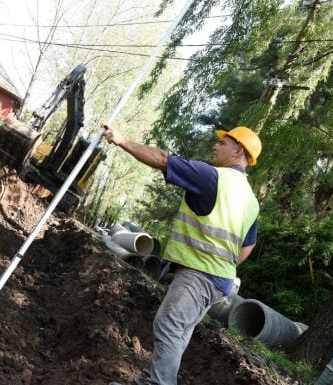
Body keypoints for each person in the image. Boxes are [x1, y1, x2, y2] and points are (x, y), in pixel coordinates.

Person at [103, 125, 262, 385]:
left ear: (238, 151)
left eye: (223, 143)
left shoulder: (213, 177)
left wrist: (122, 140)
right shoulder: (251, 200)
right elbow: (248, 246)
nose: (216, 145)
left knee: (169, 326)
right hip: (219, 279)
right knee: (178, 332)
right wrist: (224, 263)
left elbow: (164, 160)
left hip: (199, 274)